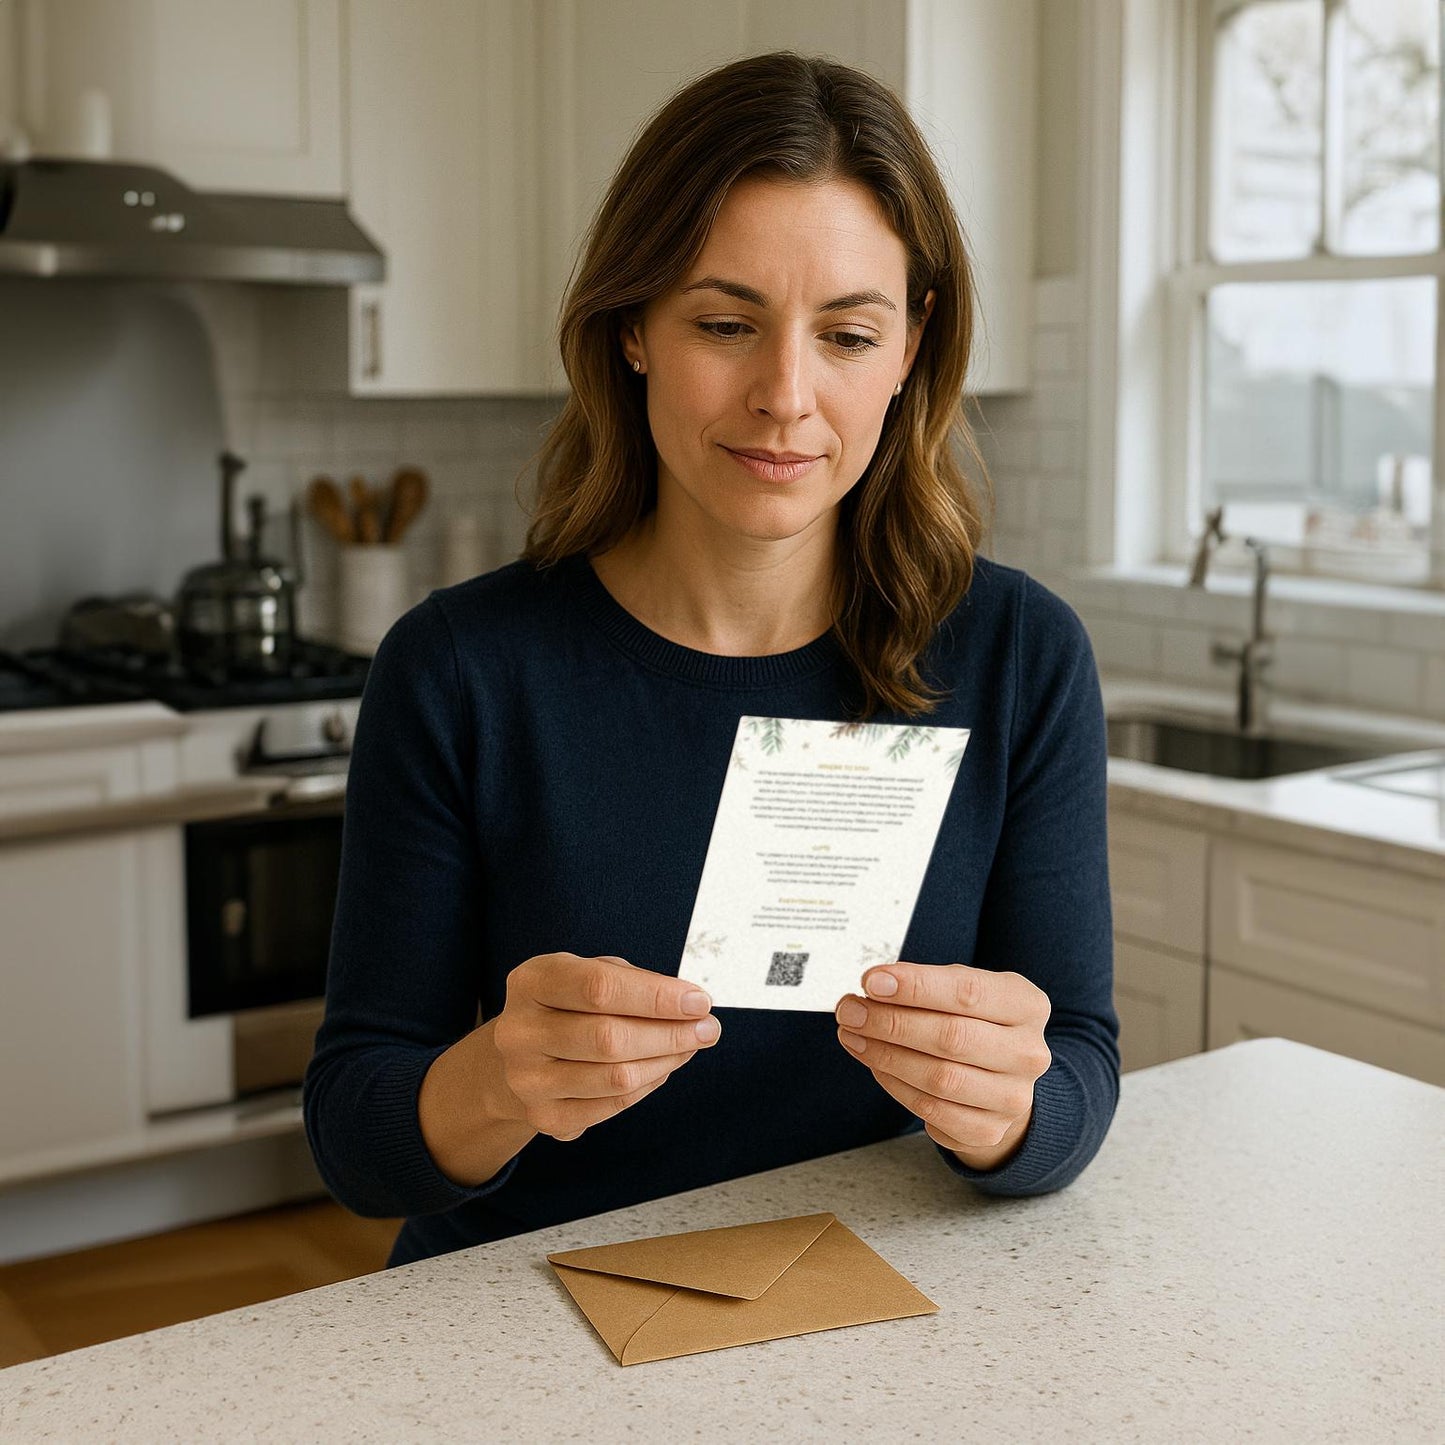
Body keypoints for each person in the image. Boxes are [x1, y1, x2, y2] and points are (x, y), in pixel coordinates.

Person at [303, 51, 1119, 1268]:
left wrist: (1011, 1109)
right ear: (631, 327)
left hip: (859, 1291)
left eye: (846, 332)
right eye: (725, 323)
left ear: (909, 347)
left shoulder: (1018, 657)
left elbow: (1081, 1075)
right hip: (523, 1304)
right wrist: (497, 1079)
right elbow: (358, 1143)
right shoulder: (458, 669)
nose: (785, 394)